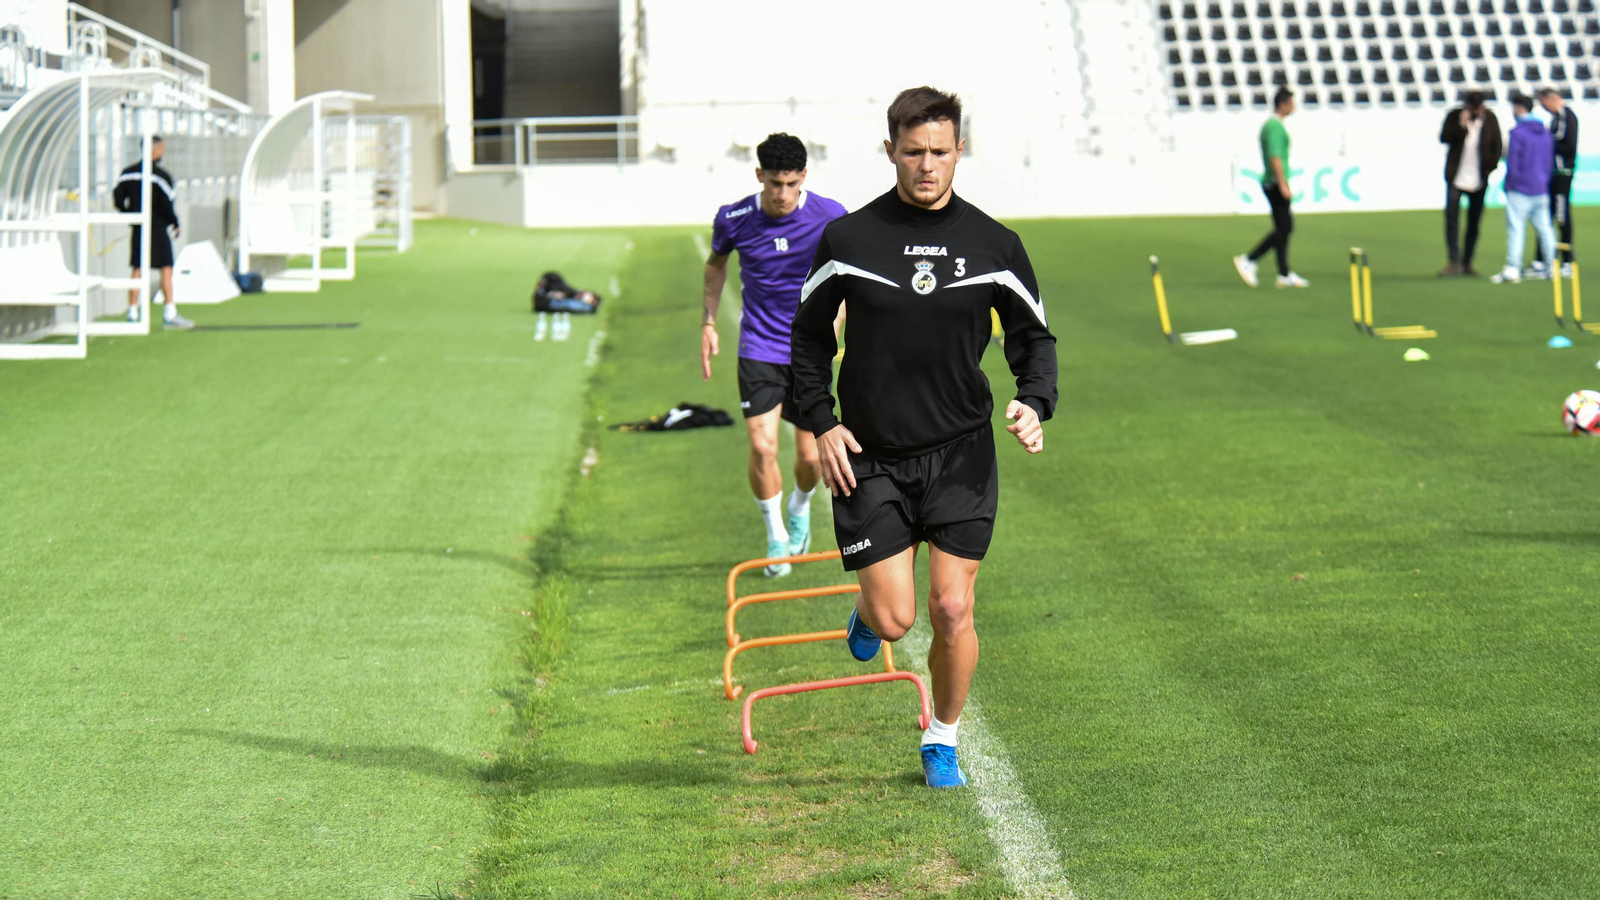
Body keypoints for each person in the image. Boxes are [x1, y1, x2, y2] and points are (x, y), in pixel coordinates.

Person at [790, 87, 1057, 788]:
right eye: (913, 152)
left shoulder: (995, 245)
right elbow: (810, 339)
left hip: (961, 452)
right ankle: (868, 611)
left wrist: (1035, 401)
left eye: (940, 151)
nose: (927, 165)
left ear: (958, 150)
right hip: (870, 455)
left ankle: (942, 737)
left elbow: (1033, 338)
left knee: (951, 605)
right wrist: (820, 421)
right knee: (894, 618)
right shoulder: (848, 240)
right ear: (891, 152)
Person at [701, 133, 847, 576]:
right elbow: (715, 265)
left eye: (791, 184)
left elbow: (849, 277)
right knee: (763, 446)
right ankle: (776, 536)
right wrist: (708, 322)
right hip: (759, 347)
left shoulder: (831, 216)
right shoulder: (735, 218)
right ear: (759, 175)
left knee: (808, 457)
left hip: (808, 351)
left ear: (803, 176)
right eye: (774, 184)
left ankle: (800, 505)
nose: (782, 194)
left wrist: (840, 325)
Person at [112, 136, 192, 329]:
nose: (163, 152)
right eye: (161, 148)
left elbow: (117, 197)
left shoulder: (128, 173)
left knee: (137, 268)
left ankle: (132, 312)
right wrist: (174, 221)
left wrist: (129, 215)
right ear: (154, 149)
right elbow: (166, 204)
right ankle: (169, 313)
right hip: (157, 228)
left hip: (139, 227)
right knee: (166, 268)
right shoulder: (161, 176)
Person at [1234, 88, 1309, 289]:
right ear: (1283, 103)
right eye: (1291, 102)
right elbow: (1275, 157)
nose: (1294, 106)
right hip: (1275, 182)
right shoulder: (1275, 127)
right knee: (1285, 227)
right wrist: (1283, 183)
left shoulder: (1270, 126)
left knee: (1282, 228)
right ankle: (1249, 259)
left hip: (1272, 181)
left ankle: (1284, 273)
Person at [1492, 94, 1557, 284]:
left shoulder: (1518, 133)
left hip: (1520, 187)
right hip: (1541, 187)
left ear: (1519, 108)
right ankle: (1551, 265)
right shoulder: (1545, 133)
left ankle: (1513, 268)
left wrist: (1510, 183)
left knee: (1516, 228)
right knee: (1545, 229)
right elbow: (1549, 161)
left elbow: (1513, 162)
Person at [1438, 90, 1503, 277]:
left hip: (1479, 178)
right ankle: (1453, 261)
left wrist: (1490, 168)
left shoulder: (1490, 119)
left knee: (1474, 222)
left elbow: (1496, 146)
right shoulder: (1454, 115)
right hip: (1456, 176)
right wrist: (1461, 124)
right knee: (1451, 219)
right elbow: (1444, 138)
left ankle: (1467, 262)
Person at [1533, 87, 1579, 276]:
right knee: (1545, 216)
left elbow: (1568, 145)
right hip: (1552, 174)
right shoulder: (1556, 118)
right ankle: (1542, 261)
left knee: (1561, 216)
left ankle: (1567, 262)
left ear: (1552, 99)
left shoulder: (1567, 116)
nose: (1544, 108)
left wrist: (1544, 140)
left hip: (1562, 174)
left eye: (1544, 104)